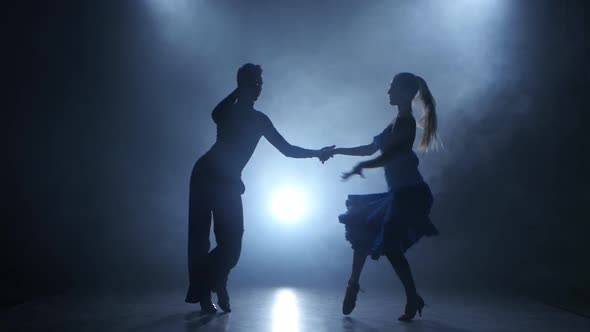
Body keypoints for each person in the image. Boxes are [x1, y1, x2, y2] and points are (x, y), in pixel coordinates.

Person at [186, 63, 333, 314]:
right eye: (254, 84)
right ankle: (204, 295)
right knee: (200, 237)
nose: (259, 89)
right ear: (242, 85)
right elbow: (215, 113)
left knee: (232, 245)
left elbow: (287, 149)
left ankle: (215, 281)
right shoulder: (227, 112)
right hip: (206, 174)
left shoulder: (260, 120)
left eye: (260, 84)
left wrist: (316, 153)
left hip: (229, 181)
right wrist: (238, 90)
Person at [332, 72, 439, 321]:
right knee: (361, 227)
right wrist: (337, 151)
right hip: (398, 194)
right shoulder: (395, 122)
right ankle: (353, 284)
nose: (388, 92)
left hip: (410, 194)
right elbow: (369, 149)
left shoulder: (405, 123)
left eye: (391, 88)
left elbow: (388, 156)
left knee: (390, 247)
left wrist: (363, 168)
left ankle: (412, 297)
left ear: (403, 93)